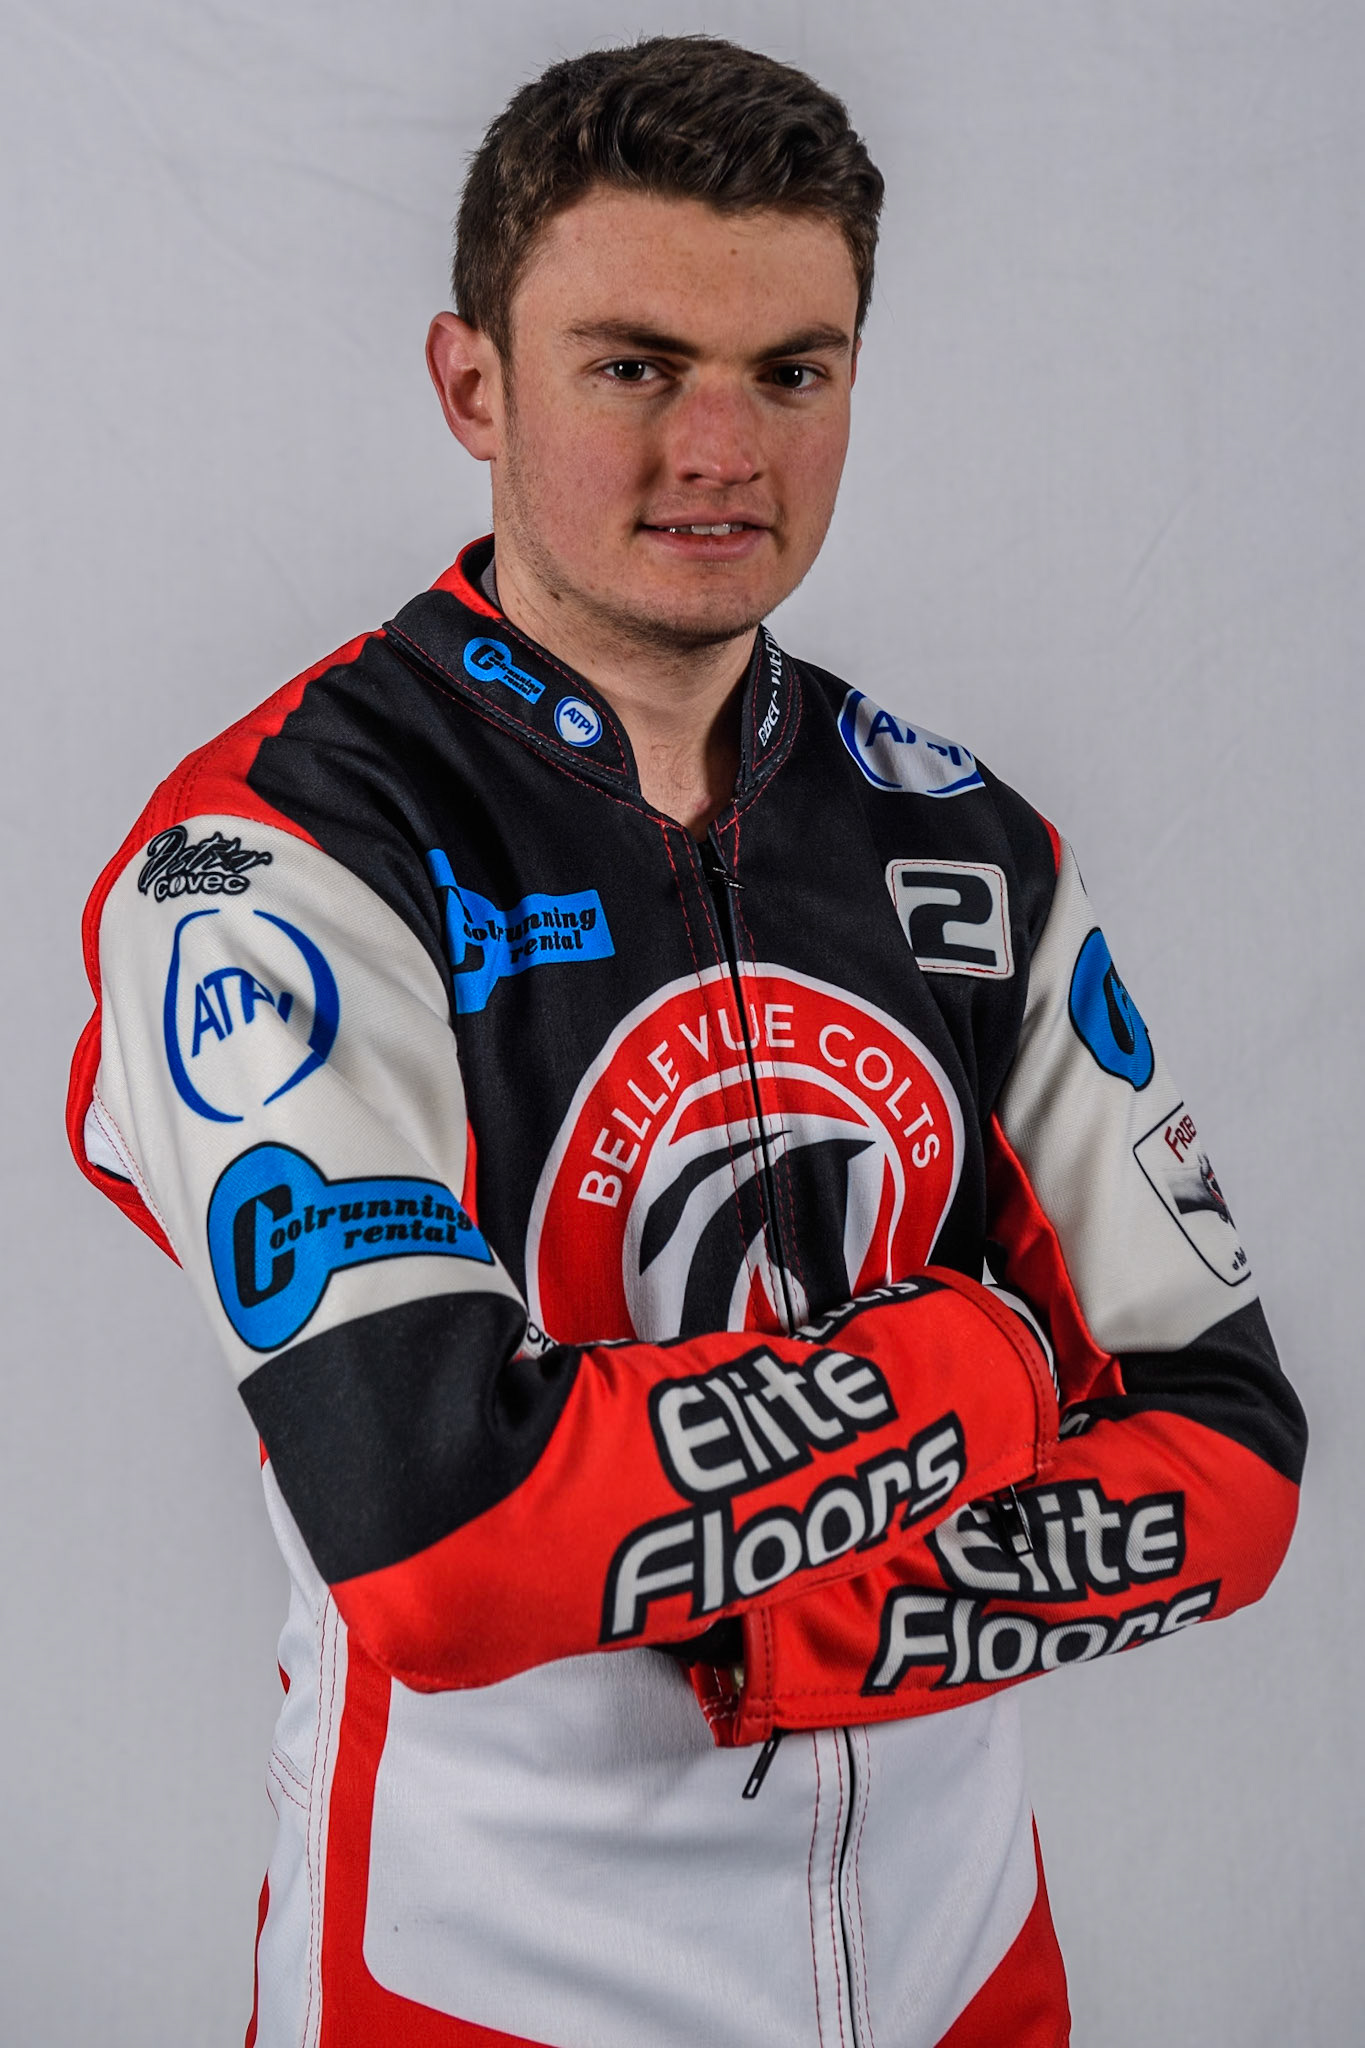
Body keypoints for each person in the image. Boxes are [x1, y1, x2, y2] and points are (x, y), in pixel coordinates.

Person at [67, 34, 1305, 2048]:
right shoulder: (274, 851)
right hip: (480, 1987)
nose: (721, 447)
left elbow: (1232, 1460)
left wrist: (788, 1614)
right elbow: (441, 1538)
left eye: (791, 371)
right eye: (634, 364)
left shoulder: (964, 845)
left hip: (960, 1964)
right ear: (472, 381)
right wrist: (976, 1358)